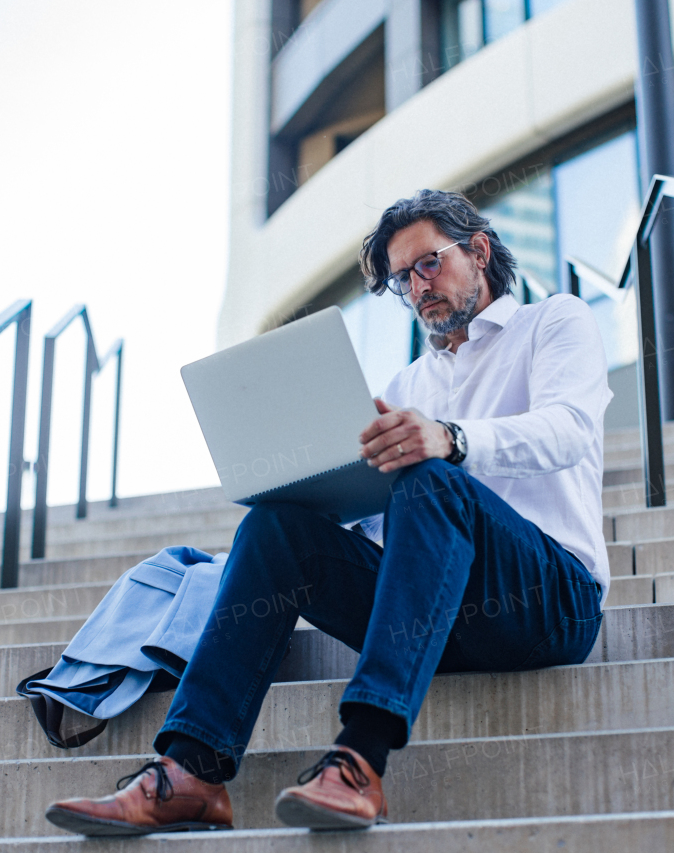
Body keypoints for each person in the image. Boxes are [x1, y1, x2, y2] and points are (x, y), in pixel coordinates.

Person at [45, 189, 613, 835]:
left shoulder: (554, 322)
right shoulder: (405, 387)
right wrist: (329, 479)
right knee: (274, 526)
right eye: (402, 279)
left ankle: (359, 760)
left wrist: (449, 438)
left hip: (549, 600)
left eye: (427, 264)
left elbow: (569, 429)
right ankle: (190, 772)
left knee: (431, 476)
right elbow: (382, 532)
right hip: (437, 620)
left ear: (478, 250)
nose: (416, 286)